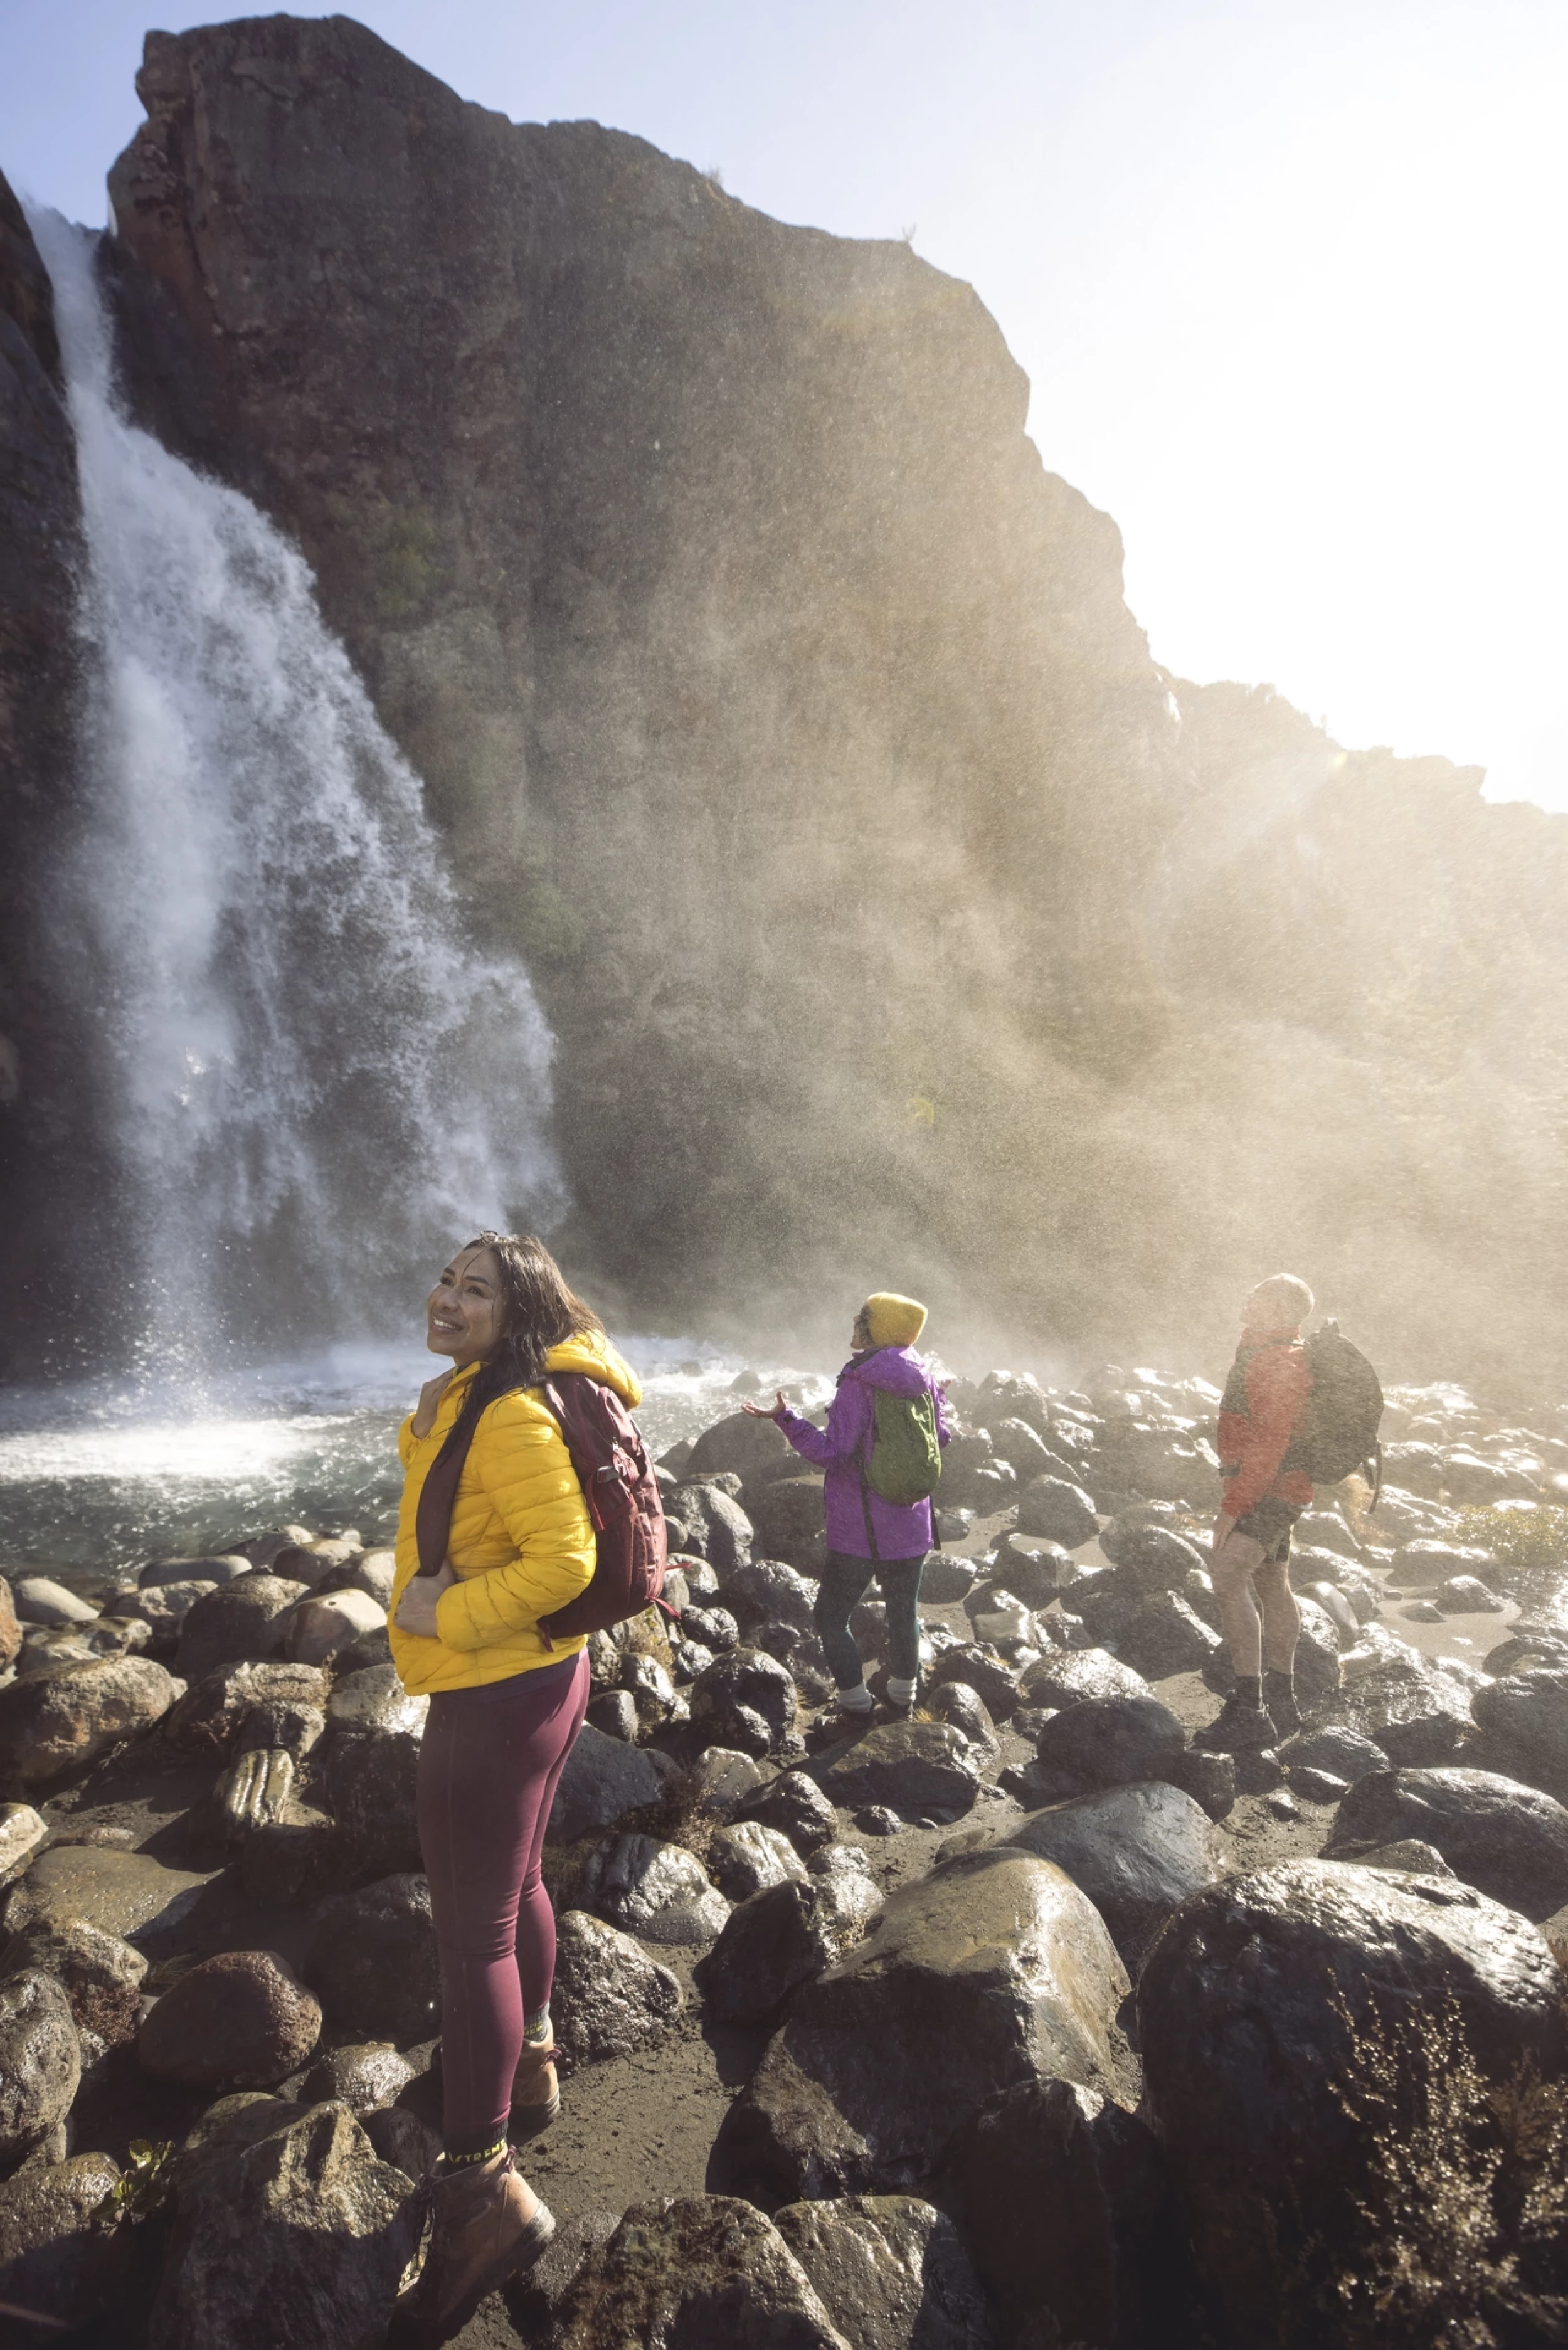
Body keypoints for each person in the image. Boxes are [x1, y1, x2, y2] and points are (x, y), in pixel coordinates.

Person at [386, 1231, 640, 2344]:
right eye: (447, 1279)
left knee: (469, 1931)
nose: (448, 1298)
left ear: (517, 1310)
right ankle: (532, 2059)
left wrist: (448, 1612)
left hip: (496, 1688)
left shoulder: (512, 1411)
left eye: (476, 1290)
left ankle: (481, 2183)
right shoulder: (487, 1396)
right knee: (520, 1880)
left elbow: (567, 1564)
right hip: (537, 1683)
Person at [743, 1291, 950, 1722]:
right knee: (903, 1614)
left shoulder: (861, 1381)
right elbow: (940, 1438)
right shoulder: (924, 1375)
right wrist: (942, 1402)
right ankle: (901, 1702)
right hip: (913, 1522)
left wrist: (787, 1418)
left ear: (878, 1329)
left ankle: (855, 1707)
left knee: (831, 1616)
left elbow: (833, 1452)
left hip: (862, 1528)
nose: (854, 1322)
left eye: (863, 1317)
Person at [1194, 1272, 1315, 1752]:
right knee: (1270, 1581)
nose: (1249, 1297)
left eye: (1261, 1295)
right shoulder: (1265, 1351)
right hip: (1277, 1487)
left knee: (1226, 1575)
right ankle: (1282, 1699)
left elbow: (1271, 1443)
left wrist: (1233, 1506)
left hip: (1271, 1490)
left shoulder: (1280, 1362)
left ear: (1283, 1311)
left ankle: (1250, 1709)